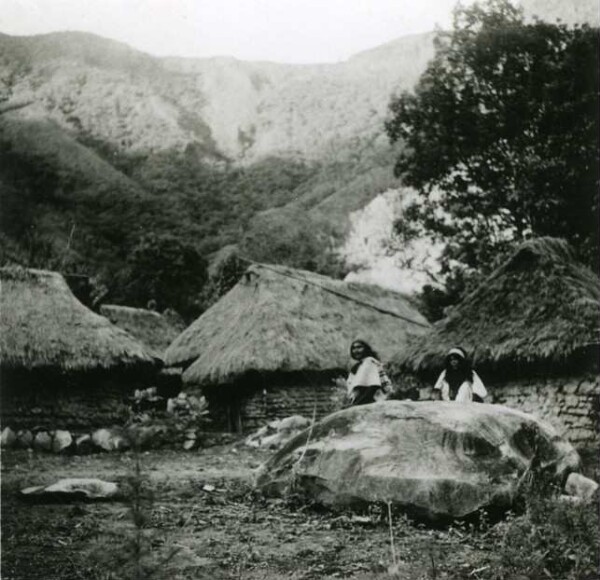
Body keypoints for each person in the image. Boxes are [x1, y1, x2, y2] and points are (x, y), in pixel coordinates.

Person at [334, 339, 392, 406]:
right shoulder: (358, 366)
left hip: (370, 402)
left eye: (359, 347)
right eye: (353, 348)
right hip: (361, 401)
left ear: (366, 349)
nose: (356, 351)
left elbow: (373, 387)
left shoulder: (369, 362)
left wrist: (356, 404)